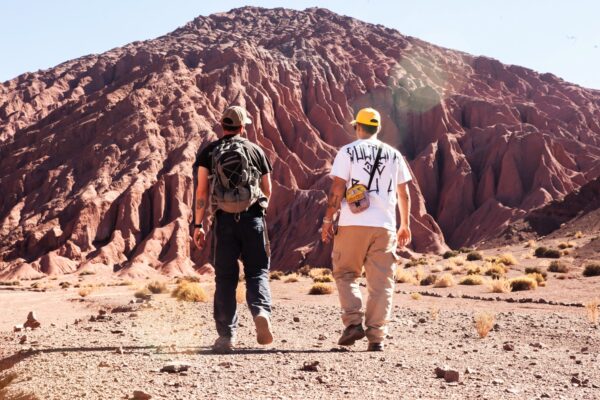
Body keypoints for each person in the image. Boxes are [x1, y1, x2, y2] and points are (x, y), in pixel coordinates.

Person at [321, 107, 412, 351]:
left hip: (352, 223)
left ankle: (353, 323)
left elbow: (337, 188)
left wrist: (328, 220)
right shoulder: (394, 155)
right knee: (381, 284)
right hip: (385, 226)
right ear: (378, 128)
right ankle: (376, 338)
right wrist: (405, 224)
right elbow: (404, 193)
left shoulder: (347, 152)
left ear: (358, 127)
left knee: (346, 274)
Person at [193, 105, 274, 353]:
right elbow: (267, 188)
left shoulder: (210, 151)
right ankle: (260, 311)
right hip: (252, 218)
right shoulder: (255, 150)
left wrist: (198, 224)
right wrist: (259, 211)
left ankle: (227, 336)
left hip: (224, 222)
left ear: (222, 125)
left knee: (225, 279)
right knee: (257, 271)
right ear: (243, 126)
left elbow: (201, 192)